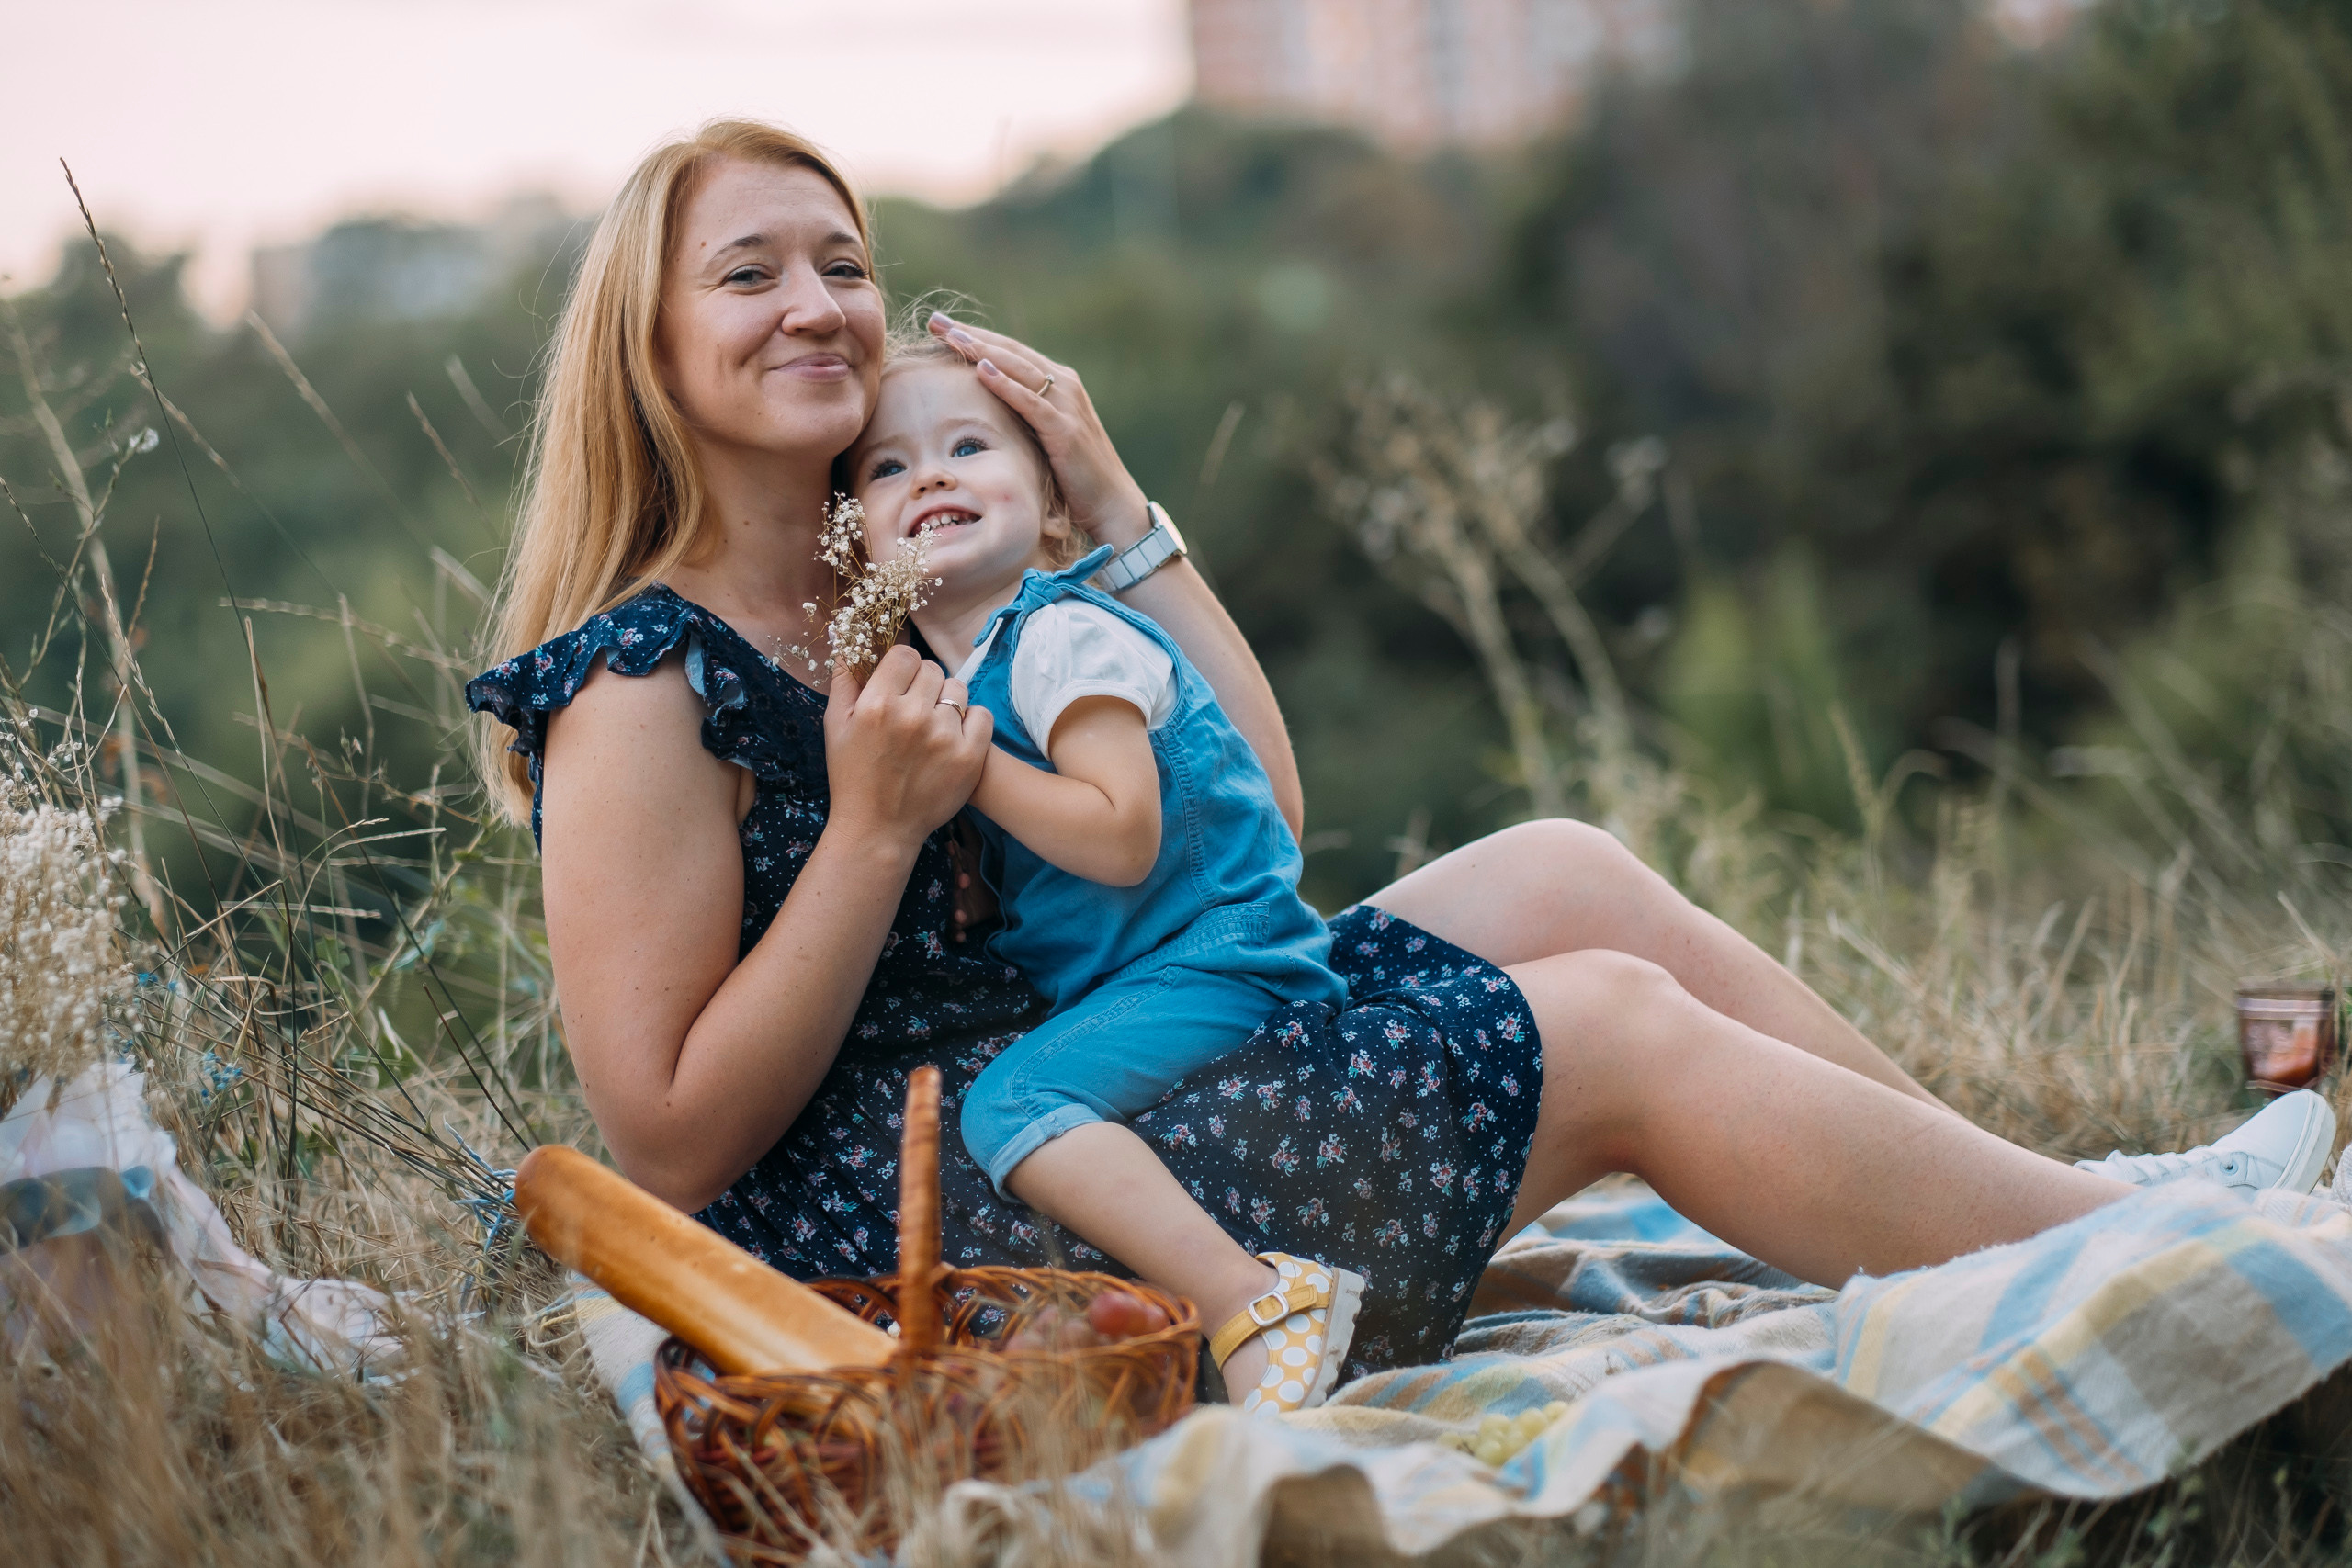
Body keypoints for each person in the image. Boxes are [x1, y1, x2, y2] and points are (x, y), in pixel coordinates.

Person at [466, 118, 2334, 1394]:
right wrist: (871, 837)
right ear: (645, 338)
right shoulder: (643, 680)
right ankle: (2135, 1240)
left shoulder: (882, 596)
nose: (815, 303)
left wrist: (1114, 514)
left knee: (1559, 871)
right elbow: (668, 1130)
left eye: (842, 262)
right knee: (1591, 1017)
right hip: (959, 1233)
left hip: (1094, 1081)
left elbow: (1249, 830)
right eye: (747, 273)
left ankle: (2018, 1180)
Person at [843, 331, 1366, 1412]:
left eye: (969, 446)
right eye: (887, 467)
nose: (929, 474)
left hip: (1223, 952)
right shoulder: (973, 667)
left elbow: (1120, 832)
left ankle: (1258, 1303)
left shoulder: (1060, 637)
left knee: (1009, 1104)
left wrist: (964, 768)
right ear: (854, 545)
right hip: (1161, 971)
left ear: (1050, 512)